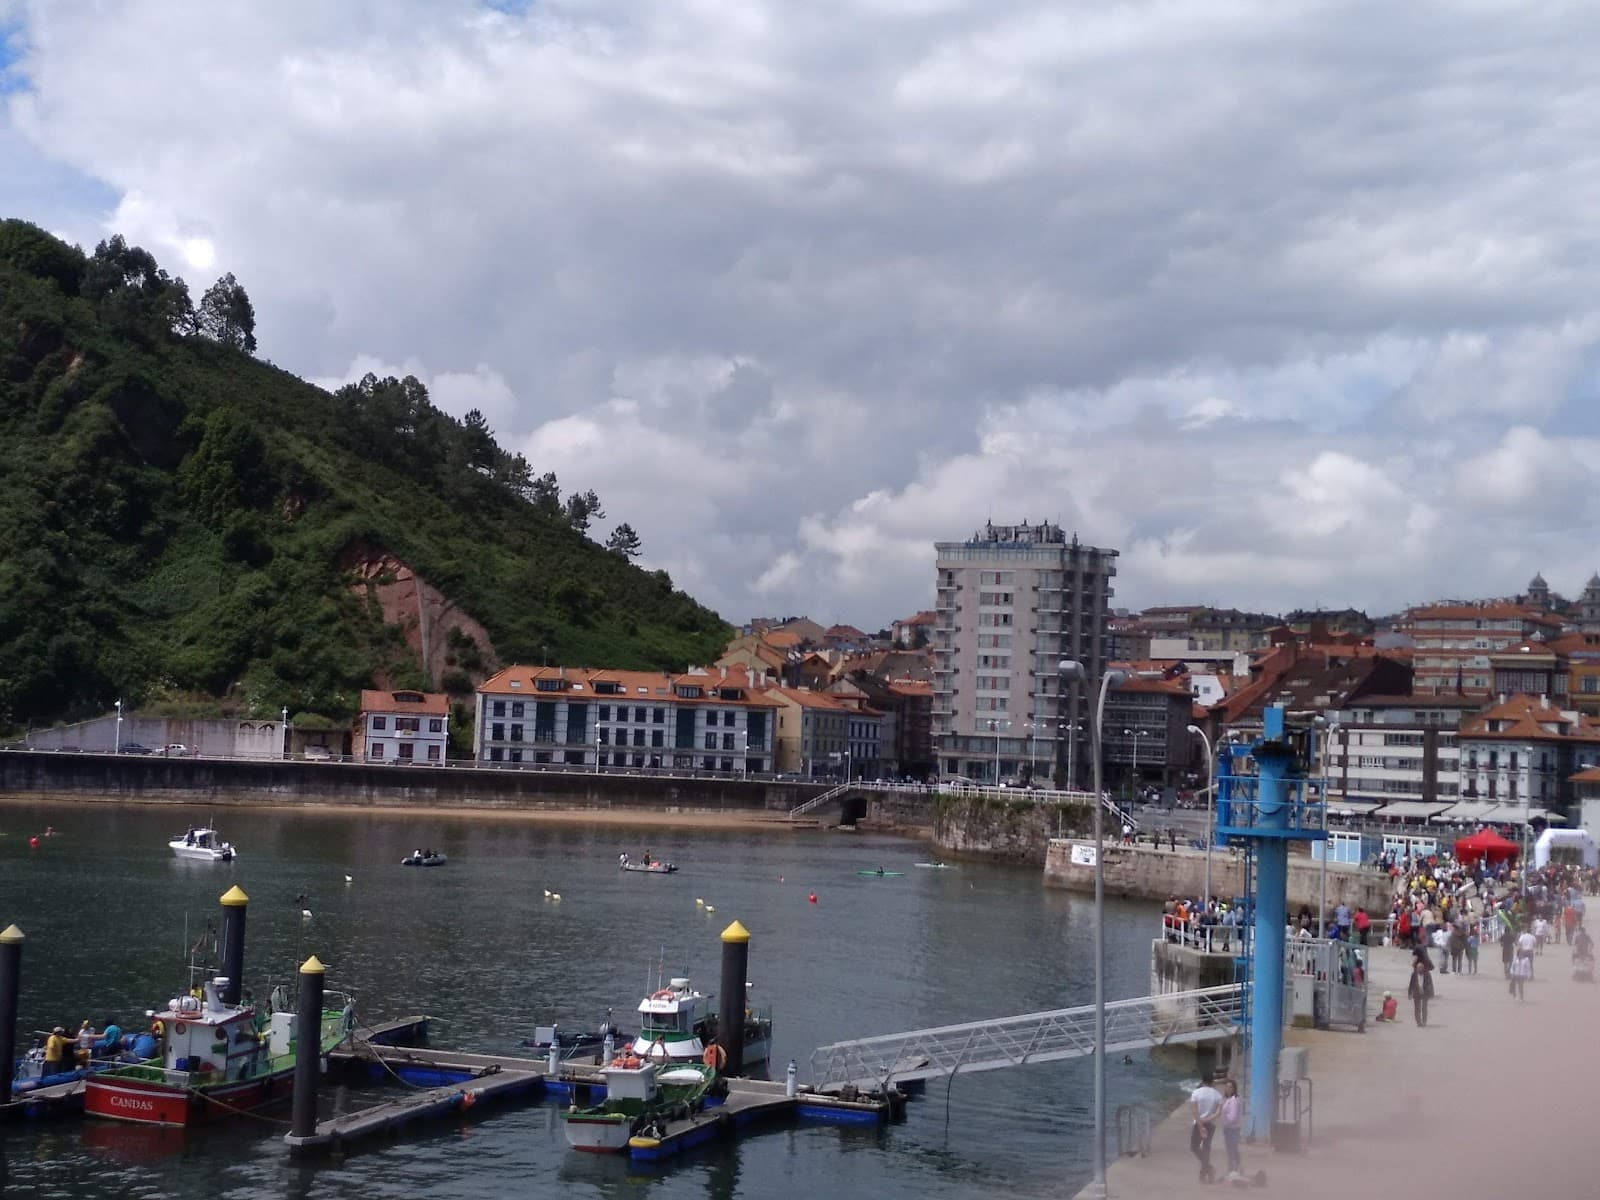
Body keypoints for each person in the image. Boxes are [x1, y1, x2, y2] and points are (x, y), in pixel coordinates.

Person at [1189, 1072, 1223, 1183]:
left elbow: (1194, 1111)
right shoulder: (1217, 1095)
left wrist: (1200, 1125)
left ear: (1202, 1080)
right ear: (1212, 1081)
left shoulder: (1196, 1093)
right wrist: (1207, 1120)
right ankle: (1205, 1173)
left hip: (1198, 1123)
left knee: (1194, 1147)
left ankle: (1208, 1169)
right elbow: (1218, 1112)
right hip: (1210, 1124)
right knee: (1206, 1149)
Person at [1220, 1078, 1244, 1181]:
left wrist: (1225, 1122)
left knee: (1231, 1150)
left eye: (1230, 1087)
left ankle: (1232, 1170)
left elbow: (1233, 1117)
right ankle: (1236, 1168)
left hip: (1232, 1129)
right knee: (1232, 1150)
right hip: (1228, 1129)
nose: (1228, 1089)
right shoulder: (1227, 1099)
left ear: (1234, 1089)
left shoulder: (1234, 1100)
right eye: (1226, 1087)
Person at [1407, 959, 1433, 1026]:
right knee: (1417, 1008)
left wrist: (1431, 993)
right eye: (1418, 968)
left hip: (1425, 992)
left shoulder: (1427, 974)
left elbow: (1430, 984)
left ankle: (1424, 1021)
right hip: (1416, 992)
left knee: (1424, 1007)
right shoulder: (1414, 974)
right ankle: (1418, 1022)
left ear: (1423, 968)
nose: (1419, 970)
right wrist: (1409, 993)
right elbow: (1411, 984)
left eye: (1421, 968)